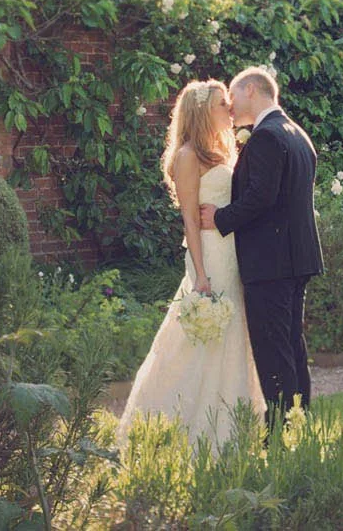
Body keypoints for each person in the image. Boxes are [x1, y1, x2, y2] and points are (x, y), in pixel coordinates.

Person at [115, 80, 264, 448]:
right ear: (201, 112)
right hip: (209, 256)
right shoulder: (187, 156)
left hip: (232, 255)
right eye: (220, 105)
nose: (229, 110)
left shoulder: (223, 152)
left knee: (233, 334)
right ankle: (173, 428)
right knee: (196, 339)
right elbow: (189, 221)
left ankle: (232, 425)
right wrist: (199, 274)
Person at [199, 65, 323, 427]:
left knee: (273, 349)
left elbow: (261, 198)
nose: (231, 105)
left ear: (251, 90)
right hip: (297, 259)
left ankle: (281, 429)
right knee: (291, 346)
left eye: (233, 96)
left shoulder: (267, 136)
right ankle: (299, 422)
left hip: (271, 262)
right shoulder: (297, 134)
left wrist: (219, 218)